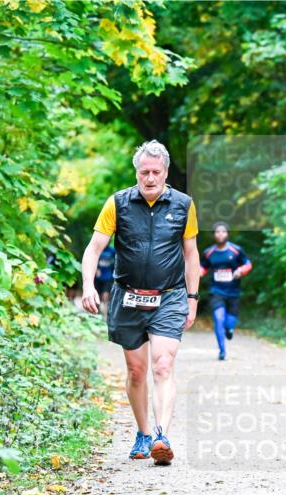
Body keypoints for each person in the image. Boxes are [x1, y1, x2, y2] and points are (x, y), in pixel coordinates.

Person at [80, 140, 200, 466]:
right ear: (137, 172)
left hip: (169, 296)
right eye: (144, 172)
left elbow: (191, 254)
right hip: (127, 296)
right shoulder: (117, 204)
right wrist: (88, 286)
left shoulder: (183, 205)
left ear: (165, 172)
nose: (150, 178)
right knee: (137, 371)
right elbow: (93, 249)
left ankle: (162, 436)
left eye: (156, 172)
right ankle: (144, 432)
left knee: (163, 364)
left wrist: (192, 297)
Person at [200, 222, 252, 360]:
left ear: (227, 234)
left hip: (233, 291)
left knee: (229, 324)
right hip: (216, 291)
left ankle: (229, 330)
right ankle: (222, 351)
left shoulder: (236, 250)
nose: (220, 234)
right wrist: (197, 273)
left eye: (223, 231)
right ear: (214, 234)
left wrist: (241, 271)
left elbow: (248, 264)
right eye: (217, 232)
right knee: (218, 318)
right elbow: (203, 267)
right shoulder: (208, 252)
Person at [94, 243, 116, 317]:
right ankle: (97, 314)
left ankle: (106, 316)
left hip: (108, 277)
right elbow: (93, 259)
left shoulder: (112, 250)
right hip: (98, 277)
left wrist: (113, 271)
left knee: (105, 296)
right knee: (98, 297)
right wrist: (96, 269)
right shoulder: (98, 248)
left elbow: (116, 261)